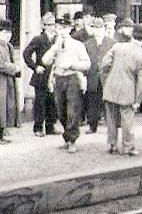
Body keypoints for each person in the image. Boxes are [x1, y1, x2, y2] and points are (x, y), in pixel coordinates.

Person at [100, 23, 142, 156]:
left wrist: (108, 80)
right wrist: (137, 101)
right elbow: (141, 82)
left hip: (110, 88)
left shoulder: (117, 47)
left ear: (132, 35)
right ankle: (127, 147)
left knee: (111, 118)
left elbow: (104, 65)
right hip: (127, 92)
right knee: (127, 119)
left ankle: (112, 145)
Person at [42, 16, 91, 154]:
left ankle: (72, 140)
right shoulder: (54, 45)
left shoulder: (77, 45)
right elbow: (45, 61)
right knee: (60, 110)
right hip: (58, 78)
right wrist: (54, 48)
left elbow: (87, 64)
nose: (61, 31)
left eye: (64, 28)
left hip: (72, 78)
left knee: (72, 110)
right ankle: (67, 135)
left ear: (70, 29)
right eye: (59, 28)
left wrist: (72, 65)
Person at [22, 12, 59, 136]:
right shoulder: (38, 39)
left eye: (53, 24)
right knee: (40, 103)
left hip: (53, 75)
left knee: (52, 102)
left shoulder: (58, 39)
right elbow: (26, 53)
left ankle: (50, 127)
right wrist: (35, 67)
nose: (52, 27)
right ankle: (38, 128)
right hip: (41, 75)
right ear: (44, 26)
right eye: (49, 25)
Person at [0, 20, 21, 144]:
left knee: (5, 106)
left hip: (7, 81)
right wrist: (13, 68)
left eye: (10, 32)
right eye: (5, 32)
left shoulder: (8, 46)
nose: (8, 35)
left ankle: (0, 134)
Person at [83, 17, 116, 133]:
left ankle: (112, 126)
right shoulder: (87, 44)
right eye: (95, 28)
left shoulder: (112, 43)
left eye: (100, 27)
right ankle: (93, 126)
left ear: (104, 29)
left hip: (107, 77)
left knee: (109, 102)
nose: (98, 30)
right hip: (92, 77)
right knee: (92, 102)